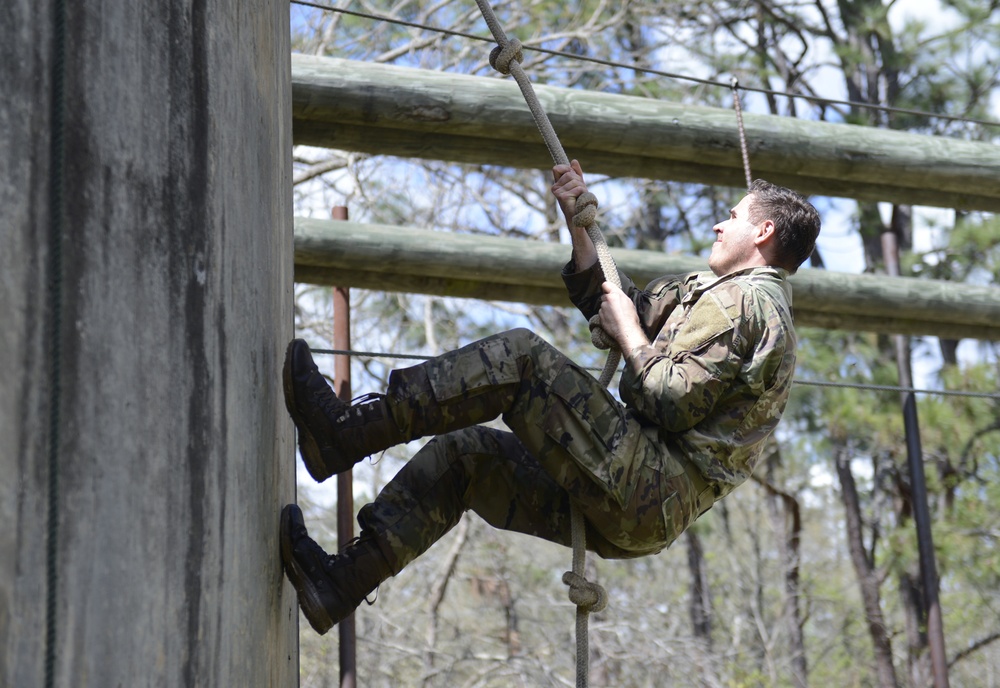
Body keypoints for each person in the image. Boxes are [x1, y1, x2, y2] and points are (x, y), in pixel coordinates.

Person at [279, 160, 821, 635]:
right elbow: (616, 304)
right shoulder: (719, 294)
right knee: (466, 459)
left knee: (520, 359)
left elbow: (668, 397)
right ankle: (339, 585)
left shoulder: (744, 304)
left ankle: (343, 434)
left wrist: (631, 333)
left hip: (650, 481)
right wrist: (579, 228)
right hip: (645, 501)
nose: (718, 222)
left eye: (733, 215)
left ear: (763, 231)